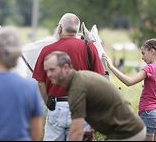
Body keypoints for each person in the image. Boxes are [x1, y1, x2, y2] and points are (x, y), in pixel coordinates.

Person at [32, 13, 105, 141]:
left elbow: (40, 81)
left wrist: (49, 102)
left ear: (60, 28)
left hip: (56, 106)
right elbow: (99, 80)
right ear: (76, 30)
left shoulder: (47, 50)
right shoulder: (89, 48)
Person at [44, 51, 146, 141]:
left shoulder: (77, 87)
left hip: (127, 133)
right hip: (129, 131)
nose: (48, 74)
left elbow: (76, 131)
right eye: (46, 70)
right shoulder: (79, 79)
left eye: (52, 70)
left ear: (65, 67)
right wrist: (92, 128)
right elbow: (98, 105)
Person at [103, 37, 156, 141]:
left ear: (152, 51)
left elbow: (129, 82)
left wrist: (111, 67)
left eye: (143, 53)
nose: (142, 58)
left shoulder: (150, 68)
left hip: (148, 114)